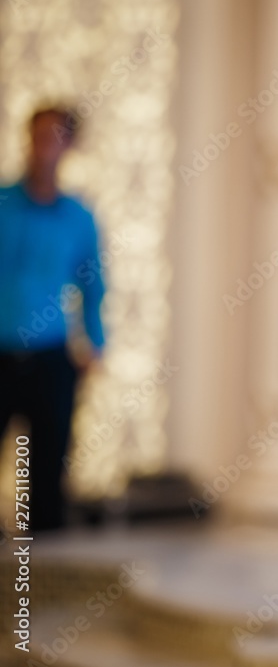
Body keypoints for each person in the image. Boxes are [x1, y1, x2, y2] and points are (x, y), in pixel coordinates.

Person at [0, 107, 105, 532]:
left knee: (47, 468)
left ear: (69, 147)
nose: (44, 148)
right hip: (1, 351)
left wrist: (94, 342)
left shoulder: (79, 218)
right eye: (38, 136)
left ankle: (40, 574)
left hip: (51, 355)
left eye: (55, 138)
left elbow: (93, 285)